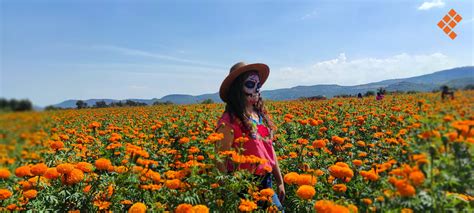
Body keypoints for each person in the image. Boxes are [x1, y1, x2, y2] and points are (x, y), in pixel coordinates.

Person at [215, 62, 285, 211]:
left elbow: (269, 149)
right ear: (237, 89)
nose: (256, 90)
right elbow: (220, 159)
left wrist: (279, 181)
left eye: (258, 85)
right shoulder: (229, 121)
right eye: (250, 84)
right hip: (243, 185)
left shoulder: (260, 115)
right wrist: (228, 192)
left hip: (266, 180)